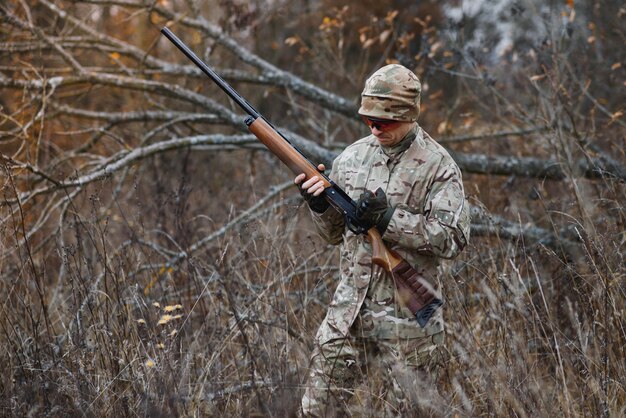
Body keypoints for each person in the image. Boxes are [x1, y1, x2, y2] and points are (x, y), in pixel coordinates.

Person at [295, 64, 470, 416]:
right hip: (349, 312)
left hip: (409, 316)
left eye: (385, 122)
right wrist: (318, 205)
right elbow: (331, 235)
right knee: (316, 410)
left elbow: (453, 238)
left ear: (409, 115)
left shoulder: (439, 167)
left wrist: (389, 220)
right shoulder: (351, 158)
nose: (375, 129)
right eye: (369, 121)